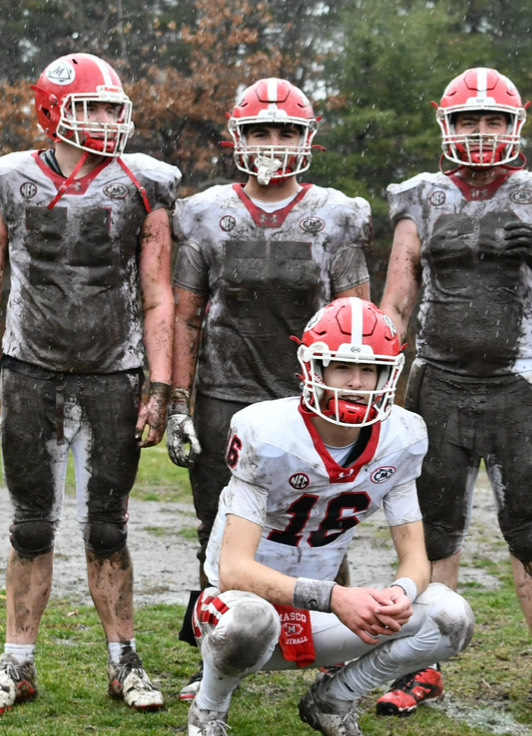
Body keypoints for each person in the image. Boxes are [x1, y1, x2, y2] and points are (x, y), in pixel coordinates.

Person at [0, 53, 180, 713]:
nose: (111, 121)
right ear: (54, 111)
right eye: (96, 108)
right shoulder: (9, 182)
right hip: (32, 371)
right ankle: (17, 662)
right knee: (31, 525)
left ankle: (125, 662)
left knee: (107, 527)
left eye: (117, 108)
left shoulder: (142, 184)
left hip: (112, 374)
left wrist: (161, 387)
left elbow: (158, 293)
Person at [182, 298, 474, 736]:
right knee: (248, 621)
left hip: (319, 614)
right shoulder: (266, 431)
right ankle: (208, 715)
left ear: (389, 375)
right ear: (313, 366)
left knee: (449, 617)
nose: (356, 383)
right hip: (236, 609)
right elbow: (235, 568)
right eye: (342, 367)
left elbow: (416, 560)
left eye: (370, 370)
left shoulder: (402, 437)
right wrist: (337, 596)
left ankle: (333, 702)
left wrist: (398, 597)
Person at [378, 67, 532, 720]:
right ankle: (421, 662)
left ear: (513, 125)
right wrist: (376, 379)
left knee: (527, 530)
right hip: (437, 381)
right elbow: (396, 301)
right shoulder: (421, 197)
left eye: (492, 119)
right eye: (467, 120)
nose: (479, 131)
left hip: (516, 382)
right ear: (447, 126)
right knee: (434, 530)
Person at [166, 77, 370, 702]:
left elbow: (358, 320)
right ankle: (216, 658)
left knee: (321, 528)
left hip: (312, 401)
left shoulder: (336, 213)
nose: (273, 143)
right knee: (218, 529)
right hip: (226, 394)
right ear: (239, 138)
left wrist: (358, 404)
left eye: (286, 131)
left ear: (307, 139)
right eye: (261, 131)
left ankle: (336, 647)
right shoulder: (203, 212)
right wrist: (175, 403)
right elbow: (185, 317)